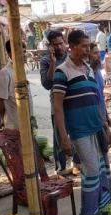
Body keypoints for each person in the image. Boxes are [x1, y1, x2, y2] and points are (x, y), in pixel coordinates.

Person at [53, 30, 111, 215]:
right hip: (80, 132)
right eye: (84, 46)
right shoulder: (62, 71)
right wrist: (63, 138)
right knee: (92, 172)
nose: (88, 50)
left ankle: (102, 211)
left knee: (102, 171)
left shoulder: (88, 69)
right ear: (72, 46)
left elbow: (97, 100)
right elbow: (57, 107)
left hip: (96, 128)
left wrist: (105, 127)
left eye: (89, 45)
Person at [0, 40, 47, 178]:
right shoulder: (5, 73)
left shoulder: (21, 71)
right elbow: (1, 102)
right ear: (10, 53)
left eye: (25, 51)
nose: (24, 55)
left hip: (27, 126)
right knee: (22, 168)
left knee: (32, 164)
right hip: (14, 127)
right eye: (21, 52)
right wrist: (1, 121)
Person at [40, 30, 80, 176]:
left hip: (73, 104)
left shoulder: (70, 57)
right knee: (59, 138)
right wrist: (52, 62)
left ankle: (76, 163)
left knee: (75, 134)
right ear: (50, 46)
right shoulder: (45, 61)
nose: (59, 47)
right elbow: (46, 83)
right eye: (55, 45)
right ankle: (60, 168)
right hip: (57, 105)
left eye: (60, 43)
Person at [89, 42, 111, 136]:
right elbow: (94, 102)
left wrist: (106, 117)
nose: (99, 55)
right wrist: (104, 124)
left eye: (98, 52)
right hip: (94, 121)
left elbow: (101, 98)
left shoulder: (98, 72)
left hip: (102, 118)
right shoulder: (87, 74)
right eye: (95, 53)